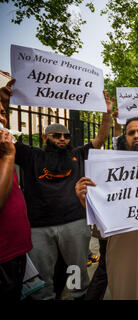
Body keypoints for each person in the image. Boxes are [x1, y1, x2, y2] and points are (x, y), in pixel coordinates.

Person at [5, 78, 113, 299]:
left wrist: (106, 113)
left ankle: (77, 295)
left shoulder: (77, 155)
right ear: (45, 137)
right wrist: (4, 105)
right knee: (41, 277)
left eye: (65, 136)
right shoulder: (31, 155)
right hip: (39, 228)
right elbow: (4, 135)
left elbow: (101, 138)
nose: (62, 139)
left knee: (75, 269)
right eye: (56, 136)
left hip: (74, 224)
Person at [75, 115, 138, 300]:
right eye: (131, 133)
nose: (136, 136)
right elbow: (102, 214)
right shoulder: (108, 169)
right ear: (125, 138)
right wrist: (86, 200)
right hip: (122, 244)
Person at [0, 79, 33, 300]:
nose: (3, 118)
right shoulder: (6, 153)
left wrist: (5, 101)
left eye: (3, 113)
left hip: (17, 248)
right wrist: (9, 156)